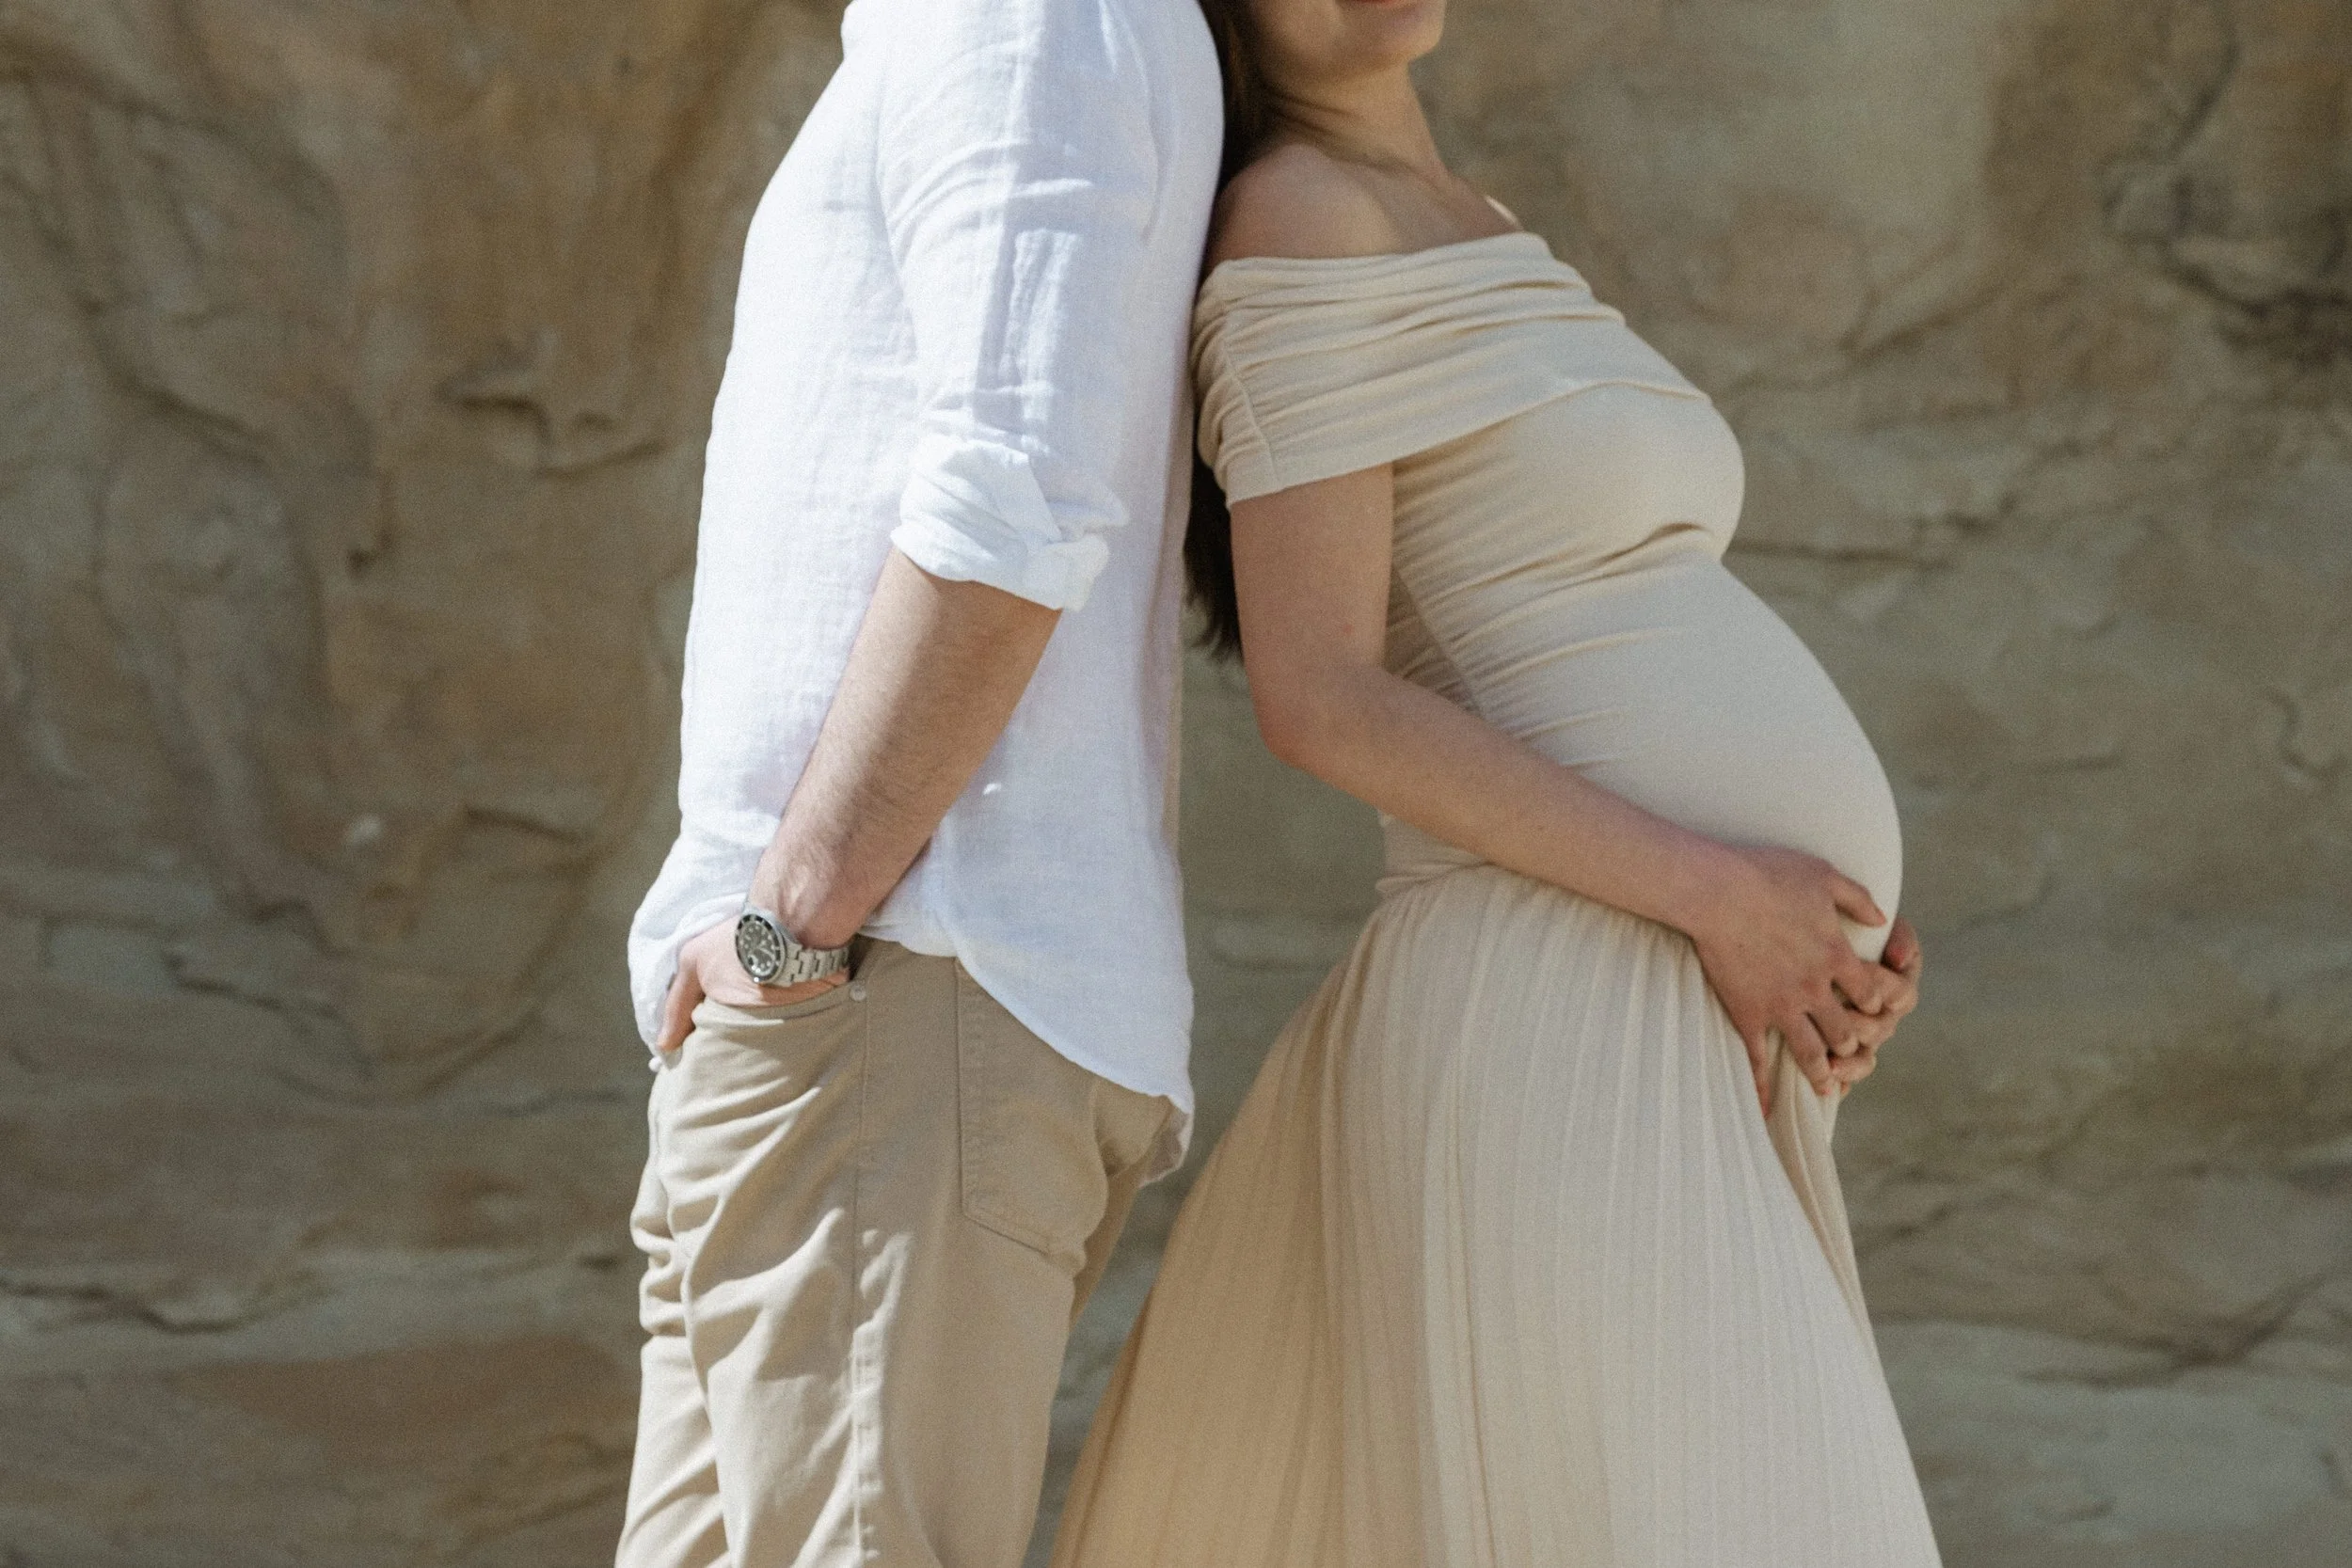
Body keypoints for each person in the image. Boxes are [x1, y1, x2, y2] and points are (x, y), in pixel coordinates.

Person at [1051, 1, 1943, 1565]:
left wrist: (1820, 948)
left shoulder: (1483, 229)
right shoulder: (1300, 218)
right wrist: (1727, 894)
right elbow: (1318, 695)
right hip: (1558, 999)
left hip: (1672, 995)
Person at [614, 0, 1221, 1563]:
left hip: (892, 989)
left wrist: (793, 926)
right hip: (849, 1014)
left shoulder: (1030, 12)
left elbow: (1013, 488)